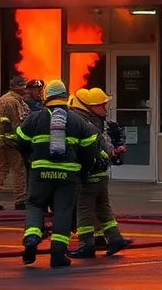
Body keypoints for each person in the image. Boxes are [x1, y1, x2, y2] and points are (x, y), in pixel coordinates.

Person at [13, 79, 98, 268]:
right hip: (68, 176)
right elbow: (90, 148)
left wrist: (31, 161)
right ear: (65, 97)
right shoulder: (77, 120)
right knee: (63, 212)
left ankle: (31, 239)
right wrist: (83, 172)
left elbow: (19, 140)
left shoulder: (35, 118)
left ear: (47, 97)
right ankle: (58, 255)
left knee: (35, 206)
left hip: (40, 173)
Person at [68, 88, 133, 258]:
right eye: (101, 105)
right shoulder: (90, 121)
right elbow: (102, 144)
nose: (104, 109)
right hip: (100, 172)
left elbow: (95, 145)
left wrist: (113, 150)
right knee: (103, 208)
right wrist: (113, 151)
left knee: (83, 209)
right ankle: (115, 239)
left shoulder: (82, 122)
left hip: (87, 173)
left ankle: (86, 245)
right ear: (89, 106)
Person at [0, 74, 31, 210]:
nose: (25, 88)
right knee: (19, 171)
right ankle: (20, 200)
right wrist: (12, 140)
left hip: (0, 143)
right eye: (23, 85)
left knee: (1, 170)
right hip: (10, 143)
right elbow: (7, 122)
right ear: (16, 87)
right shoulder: (10, 101)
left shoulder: (8, 100)